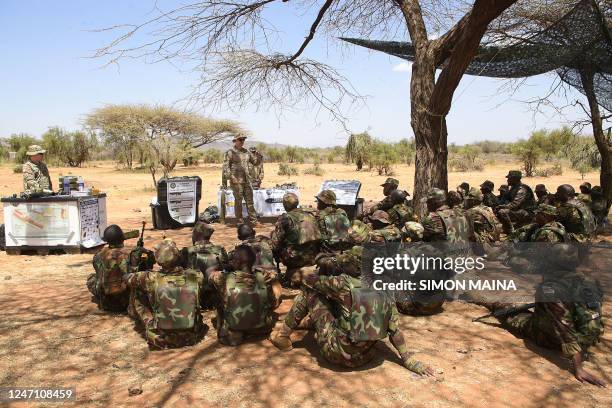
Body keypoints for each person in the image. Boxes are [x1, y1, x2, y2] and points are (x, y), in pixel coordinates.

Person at [270, 247, 434, 377]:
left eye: (346, 261)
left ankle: (283, 337)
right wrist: (409, 360)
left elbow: (307, 281)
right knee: (343, 306)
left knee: (309, 293)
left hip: (336, 354)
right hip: (365, 356)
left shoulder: (343, 283)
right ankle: (309, 324)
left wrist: (315, 271)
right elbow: (394, 330)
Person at [477, 244, 605, 387]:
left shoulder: (551, 288)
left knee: (507, 309)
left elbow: (563, 328)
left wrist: (578, 368)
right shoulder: (590, 281)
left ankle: (479, 298)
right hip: (588, 337)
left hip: (554, 339)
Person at [124, 240, 207, 349]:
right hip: (191, 337)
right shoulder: (196, 276)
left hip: (161, 338)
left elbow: (126, 279)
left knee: (138, 291)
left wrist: (136, 267)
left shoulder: (150, 278)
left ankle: (149, 324)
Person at [207, 245, 281, 346]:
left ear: (237, 262)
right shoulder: (264, 276)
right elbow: (273, 274)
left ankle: (233, 324)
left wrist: (224, 267)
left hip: (233, 332)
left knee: (216, 293)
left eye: (234, 259)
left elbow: (209, 274)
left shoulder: (223, 278)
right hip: (261, 326)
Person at [270, 192, 321, 284]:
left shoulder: (285, 218)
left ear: (285, 205)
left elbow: (275, 243)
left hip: (295, 259)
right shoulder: (310, 215)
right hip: (312, 256)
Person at [87, 225, 132, 312]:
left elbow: (99, 272)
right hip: (125, 301)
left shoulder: (98, 255)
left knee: (91, 278)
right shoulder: (128, 255)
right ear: (122, 239)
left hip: (105, 301)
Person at [222, 135, 263, 225]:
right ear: (235, 141)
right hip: (236, 181)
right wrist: (231, 178)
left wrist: (259, 156)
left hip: (247, 181)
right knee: (238, 202)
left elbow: (255, 162)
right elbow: (226, 167)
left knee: (250, 202)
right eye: (240, 139)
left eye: (243, 140)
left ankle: (254, 221)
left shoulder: (246, 152)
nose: (242, 141)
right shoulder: (230, 152)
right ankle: (240, 222)